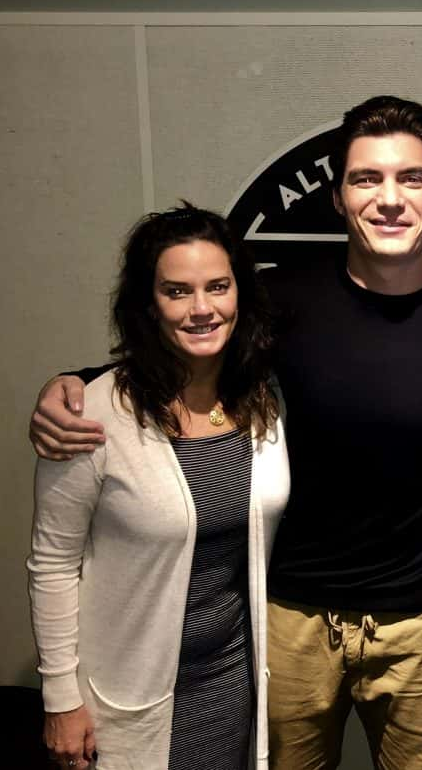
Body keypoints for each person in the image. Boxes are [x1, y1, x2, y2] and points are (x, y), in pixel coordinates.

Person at [29, 96, 422, 770]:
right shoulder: (277, 303)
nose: (390, 198)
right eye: (366, 178)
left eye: (412, 178)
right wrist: (74, 383)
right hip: (288, 622)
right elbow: (184, 346)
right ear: (338, 197)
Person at [27, 203, 289, 770]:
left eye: (218, 287)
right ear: (149, 304)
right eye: (178, 291)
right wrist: (60, 700)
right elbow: (52, 564)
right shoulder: (90, 416)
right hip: (128, 691)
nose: (202, 309)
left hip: (232, 679)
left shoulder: (261, 402)